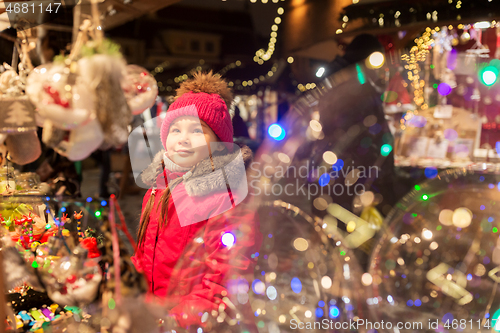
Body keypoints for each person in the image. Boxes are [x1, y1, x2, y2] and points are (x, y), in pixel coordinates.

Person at [131, 72, 262, 330]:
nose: (183, 138)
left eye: (197, 130)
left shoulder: (228, 198)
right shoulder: (158, 189)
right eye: (176, 129)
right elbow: (145, 257)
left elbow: (224, 283)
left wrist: (173, 321)